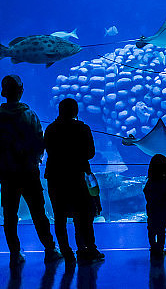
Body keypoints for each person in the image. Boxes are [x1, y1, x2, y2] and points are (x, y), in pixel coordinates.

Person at [0, 74, 61, 266]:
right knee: (38, 212)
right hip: (28, 173)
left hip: (7, 175)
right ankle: (50, 249)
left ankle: (15, 253)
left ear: (4, 92)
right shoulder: (30, 115)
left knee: (10, 215)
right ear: (20, 91)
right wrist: (34, 160)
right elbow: (39, 142)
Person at [44, 97, 102, 265]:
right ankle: (87, 248)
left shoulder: (51, 129)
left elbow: (49, 150)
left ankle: (66, 251)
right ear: (76, 112)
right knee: (83, 215)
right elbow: (91, 153)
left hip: (56, 178)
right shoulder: (83, 129)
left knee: (59, 216)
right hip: (78, 177)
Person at [143, 154, 166, 261]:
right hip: (163, 210)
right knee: (161, 230)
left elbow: (146, 192)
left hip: (152, 210)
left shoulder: (150, 182)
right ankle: (160, 249)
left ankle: (153, 248)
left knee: (152, 229)